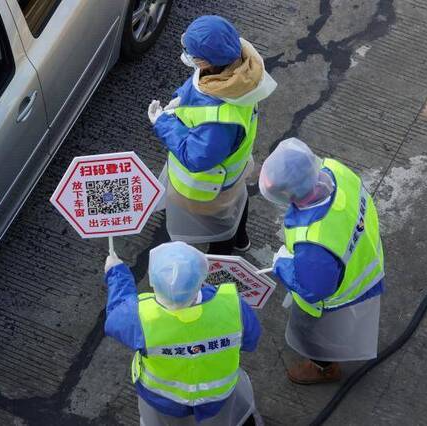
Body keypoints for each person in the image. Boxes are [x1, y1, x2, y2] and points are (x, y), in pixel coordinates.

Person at [258, 138, 385, 384]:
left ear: (288, 194)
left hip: (341, 292)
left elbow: (313, 291)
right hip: (362, 255)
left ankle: (322, 366)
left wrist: (283, 264)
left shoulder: (314, 242)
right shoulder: (335, 170)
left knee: (315, 332)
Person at [148, 15, 276, 255]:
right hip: (233, 174)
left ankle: (221, 266)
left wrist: (163, 123)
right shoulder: (237, 70)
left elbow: (197, 157)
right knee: (236, 205)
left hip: (208, 189)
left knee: (220, 227)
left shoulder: (219, 123)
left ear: (205, 62)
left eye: (191, 52)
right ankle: (240, 240)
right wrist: (182, 100)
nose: (187, 54)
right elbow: (201, 89)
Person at [104, 241, 262, 425]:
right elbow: (251, 341)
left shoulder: (139, 317)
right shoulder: (232, 304)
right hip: (219, 399)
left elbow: (116, 314)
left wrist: (116, 272)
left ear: (153, 281)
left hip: (163, 400)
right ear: (201, 279)